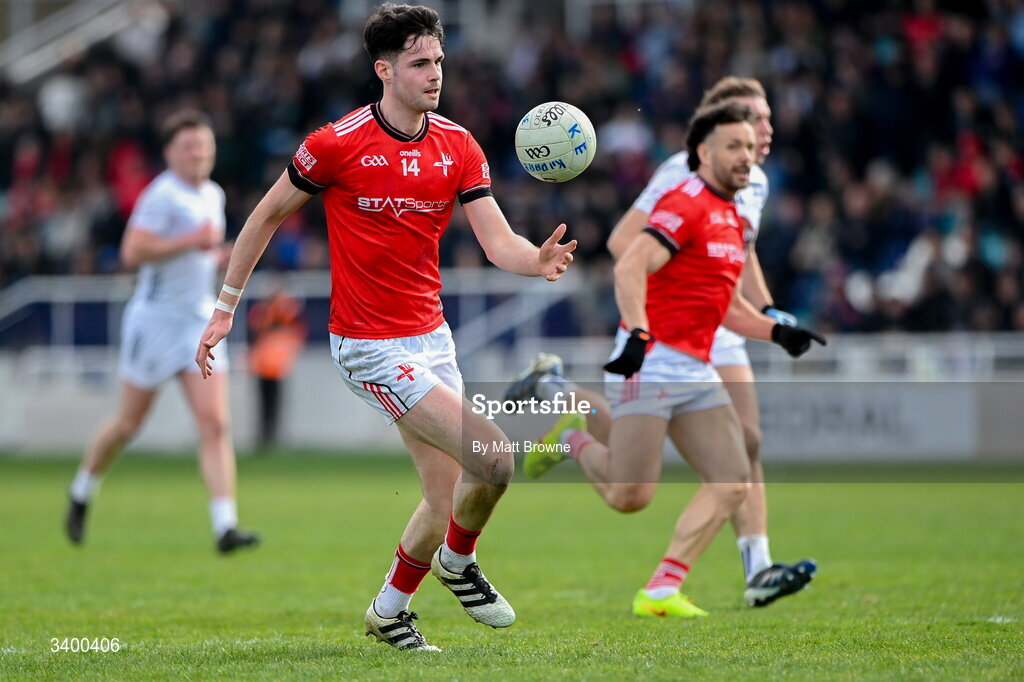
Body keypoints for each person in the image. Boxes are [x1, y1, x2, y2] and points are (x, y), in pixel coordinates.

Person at [194, 4, 576, 652]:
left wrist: (533, 260)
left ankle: (389, 610)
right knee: (494, 458)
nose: (435, 75)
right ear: (385, 69)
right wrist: (227, 306)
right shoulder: (336, 143)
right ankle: (457, 563)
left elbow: (496, 240)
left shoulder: (457, 145)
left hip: (431, 337)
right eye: (421, 63)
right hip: (369, 346)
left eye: (439, 62)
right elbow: (262, 218)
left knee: (445, 490)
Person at [509, 77, 820, 609]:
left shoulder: (733, 207)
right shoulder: (687, 196)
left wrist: (776, 328)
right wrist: (637, 330)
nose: (750, 150)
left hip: (697, 361)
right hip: (654, 358)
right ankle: (571, 437)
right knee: (632, 496)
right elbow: (627, 258)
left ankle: (664, 587)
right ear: (704, 149)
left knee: (735, 475)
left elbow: (724, 299)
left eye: (752, 142)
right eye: (738, 142)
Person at [64, 111, 259, 555]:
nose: (199, 154)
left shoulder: (213, 193)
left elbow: (200, 254)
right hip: (154, 323)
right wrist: (192, 241)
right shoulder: (162, 195)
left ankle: (225, 526)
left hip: (197, 319)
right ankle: (82, 489)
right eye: (189, 147)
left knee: (215, 424)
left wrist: (215, 256)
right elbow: (132, 252)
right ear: (171, 153)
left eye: (204, 146)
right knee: (129, 423)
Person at [247, 283, 307, 450]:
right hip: (263, 367)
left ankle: (272, 437)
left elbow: (292, 321)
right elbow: (257, 328)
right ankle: (264, 438)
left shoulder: (280, 313)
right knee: (265, 404)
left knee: (273, 404)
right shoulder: (263, 312)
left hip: (275, 367)